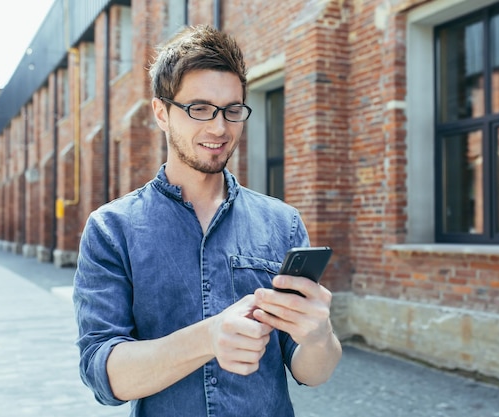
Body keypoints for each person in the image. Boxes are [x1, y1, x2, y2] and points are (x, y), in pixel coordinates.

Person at [73, 24, 342, 417]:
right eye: (199, 108)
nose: (219, 127)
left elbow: (311, 372)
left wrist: (320, 338)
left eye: (232, 110)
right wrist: (209, 337)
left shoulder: (282, 223)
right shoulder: (111, 229)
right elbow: (103, 375)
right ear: (161, 112)